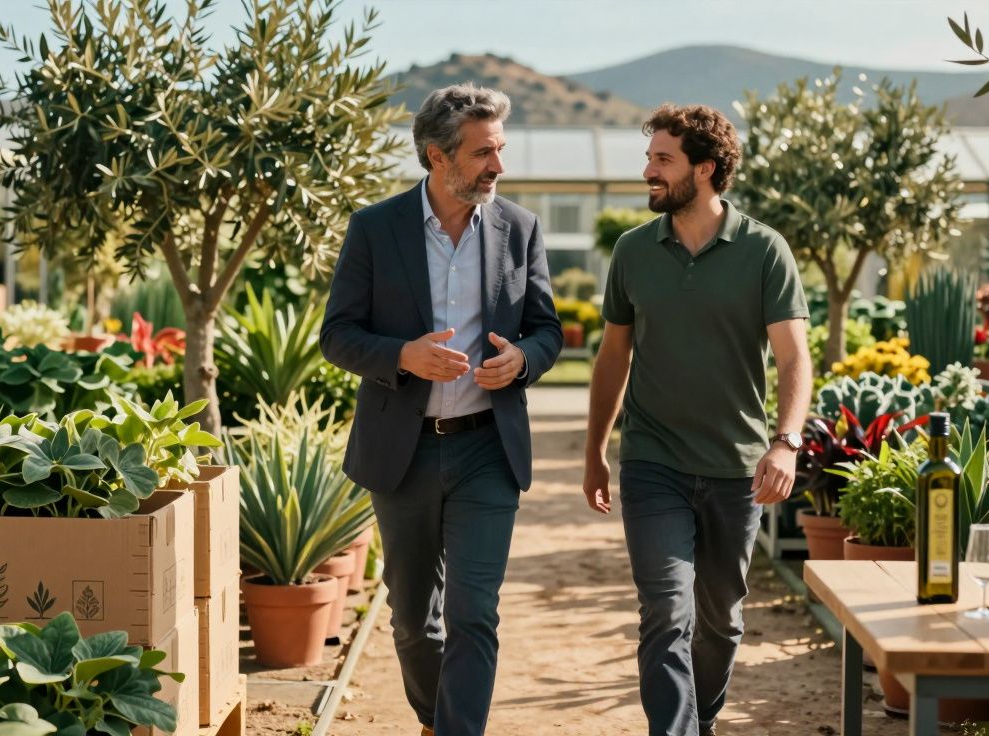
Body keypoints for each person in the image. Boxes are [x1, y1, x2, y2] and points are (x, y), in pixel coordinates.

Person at [320, 83, 562, 736]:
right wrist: (403, 355)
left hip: (488, 448)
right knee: (409, 617)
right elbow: (336, 335)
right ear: (437, 155)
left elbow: (548, 330)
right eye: (485, 152)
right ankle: (434, 720)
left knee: (474, 613)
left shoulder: (520, 229)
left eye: (500, 150)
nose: (498, 167)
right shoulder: (375, 230)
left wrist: (524, 359)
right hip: (405, 452)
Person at [582, 103, 812, 736]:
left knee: (720, 618)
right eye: (649, 157)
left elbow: (794, 358)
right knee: (664, 609)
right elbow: (612, 357)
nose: (649, 172)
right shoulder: (633, 251)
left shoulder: (764, 250)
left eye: (663, 160)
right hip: (653, 461)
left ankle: (701, 719)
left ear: (705, 169)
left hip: (736, 467)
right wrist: (595, 449)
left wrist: (786, 444)